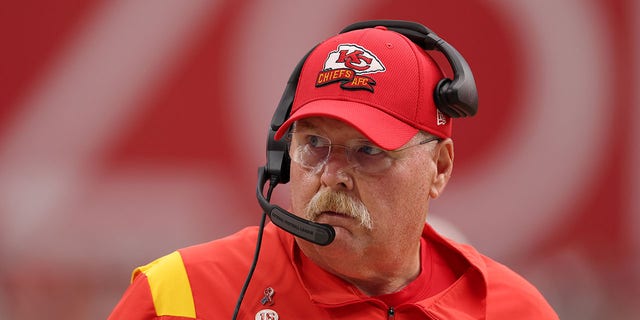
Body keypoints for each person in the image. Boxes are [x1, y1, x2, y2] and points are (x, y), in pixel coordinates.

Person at [108, 20, 558, 319]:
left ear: (439, 167)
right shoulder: (180, 297)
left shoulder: (515, 310)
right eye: (315, 145)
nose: (333, 173)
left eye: (368, 151)